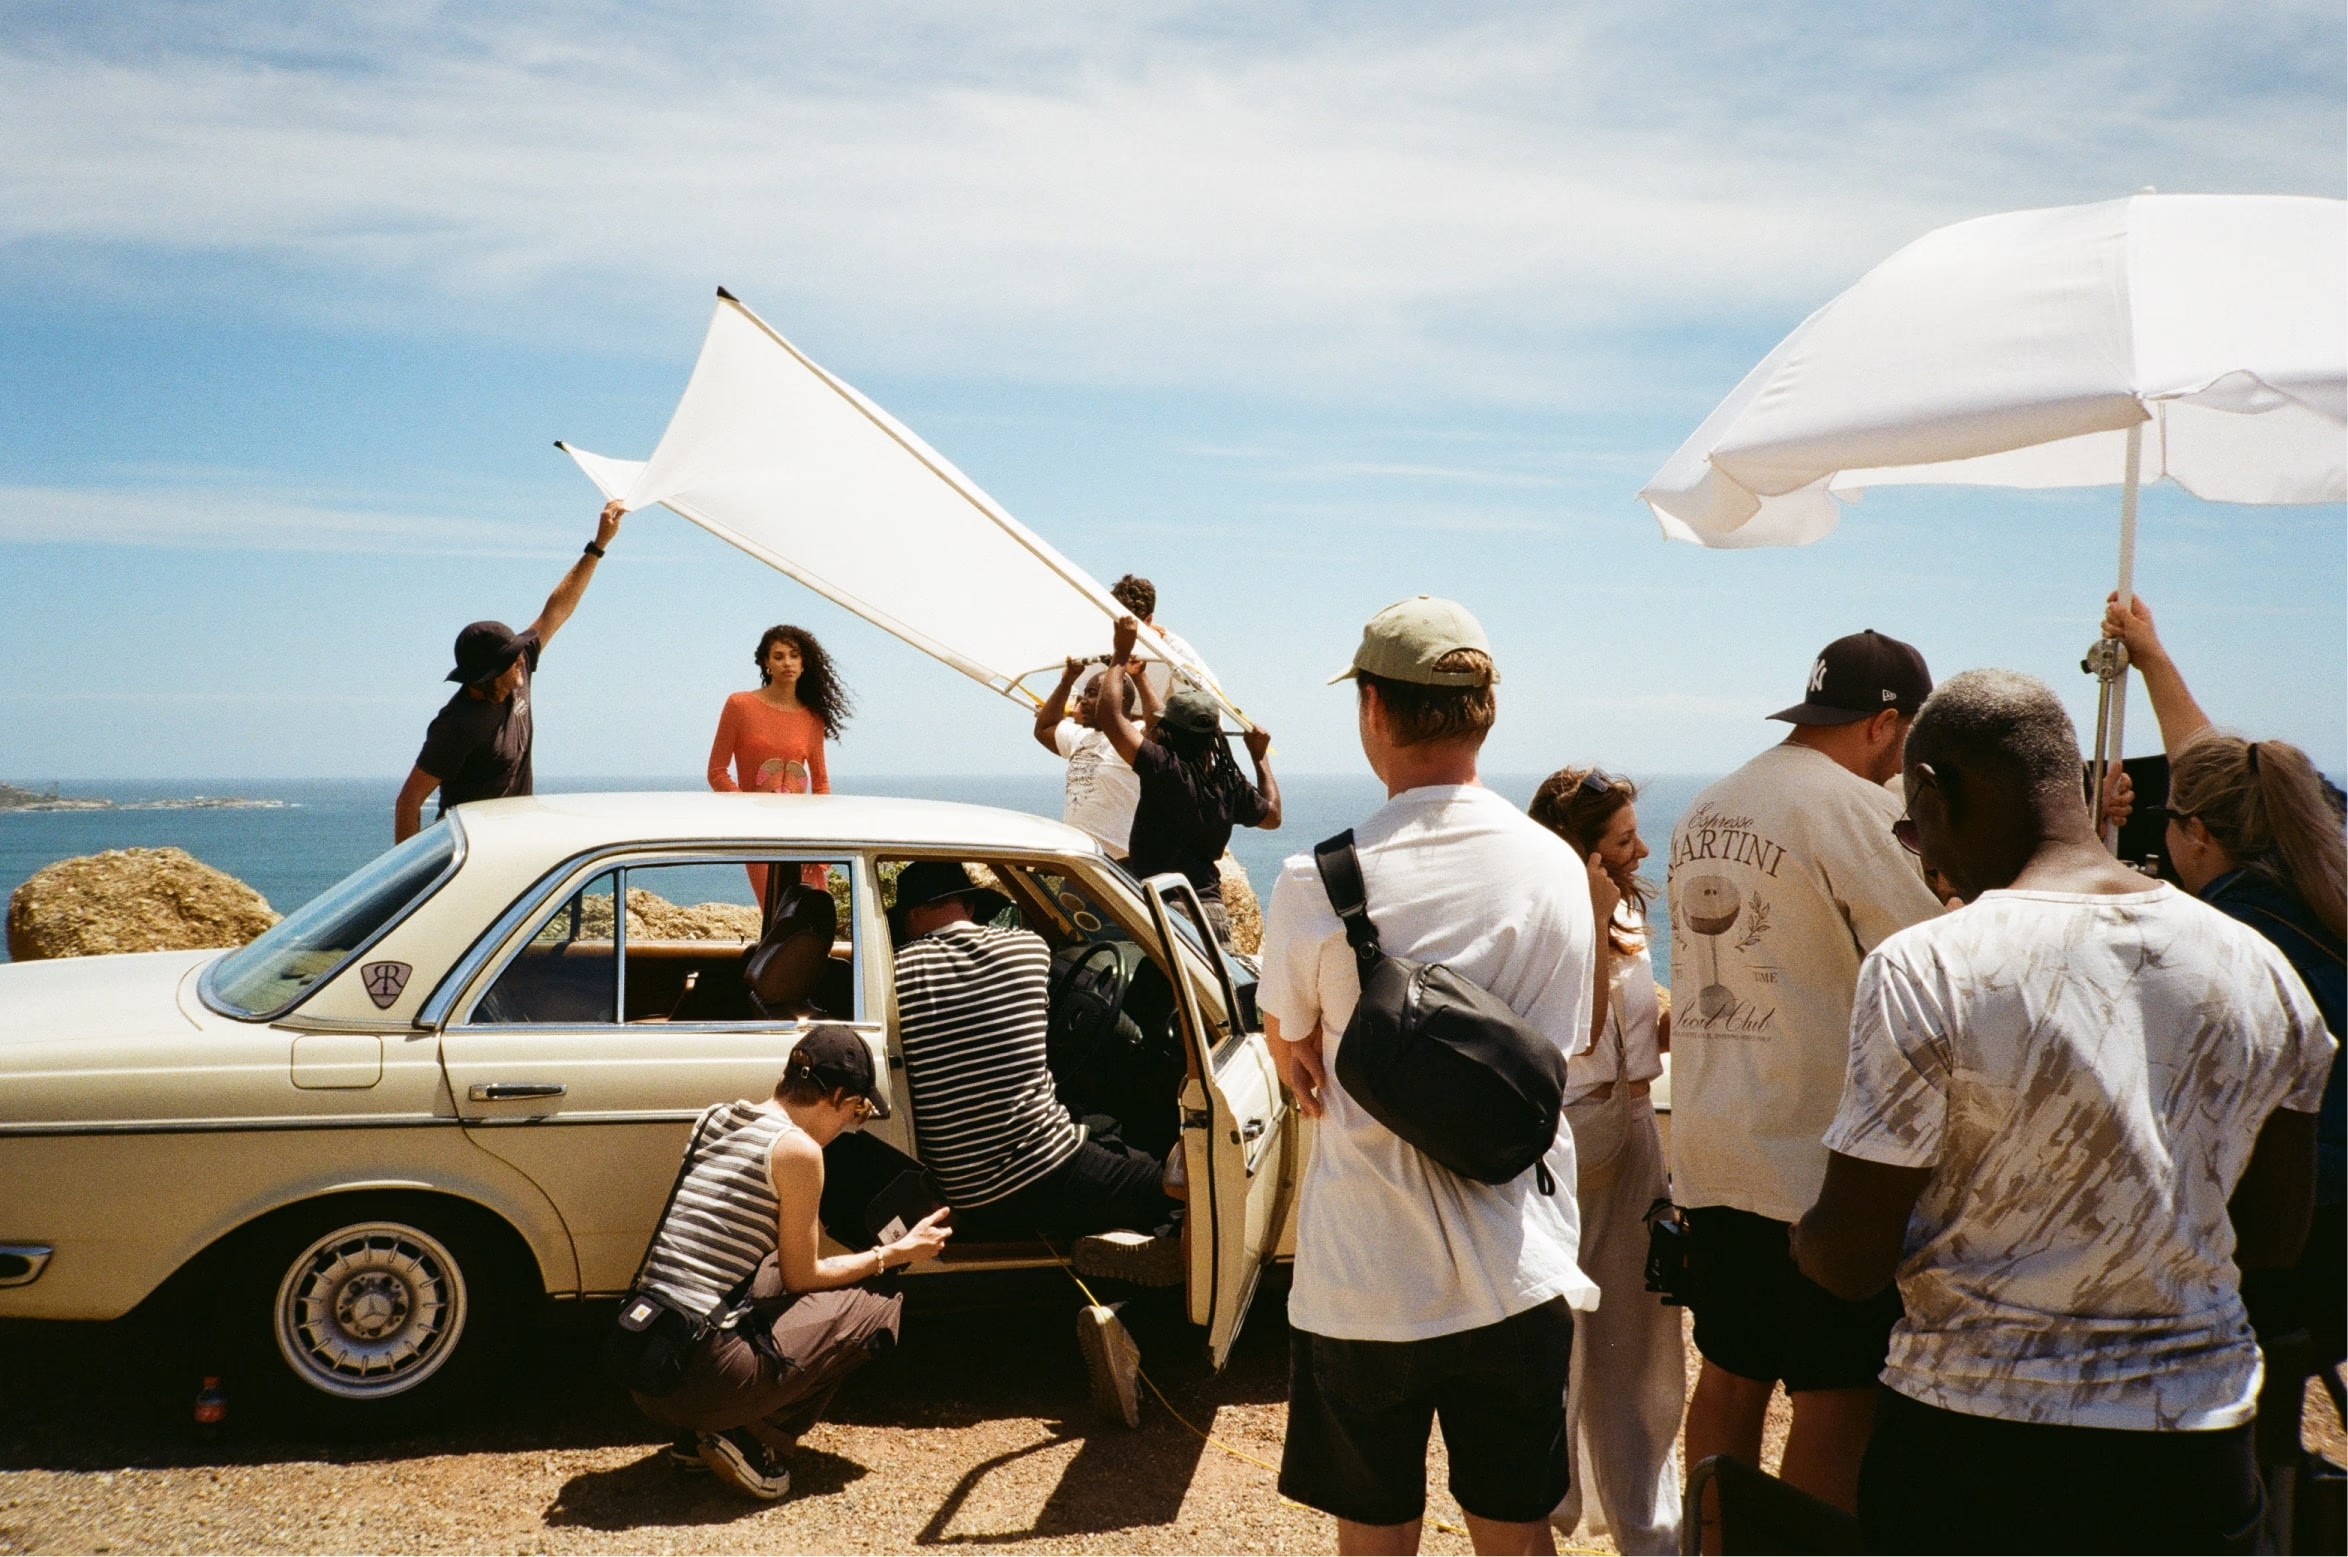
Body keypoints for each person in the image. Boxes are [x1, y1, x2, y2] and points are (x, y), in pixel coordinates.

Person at [1790, 669, 2336, 1554]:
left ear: (1935, 790)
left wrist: (1804, 1239)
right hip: (2193, 1453)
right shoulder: (2256, 965)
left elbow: (1851, 1257)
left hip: (1974, 1451)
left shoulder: (1928, 966)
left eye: (1911, 822)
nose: (1922, 854)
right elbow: (2275, 1236)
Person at [1260, 596, 1599, 1556]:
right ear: (1485, 710)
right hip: (1518, 1263)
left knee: (1374, 1539)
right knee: (1516, 1530)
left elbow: (1294, 1049)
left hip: (1365, 1273)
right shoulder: (1554, 866)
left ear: (1374, 707)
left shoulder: (1313, 881)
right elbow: (1556, 1051)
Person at [1665, 628, 1943, 1523]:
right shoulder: (1848, 808)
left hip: (1712, 1145)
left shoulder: (1712, 802)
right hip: (1811, 1156)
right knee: (1836, 1392)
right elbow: (1929, 950)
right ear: (1885, 722)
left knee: (1732, 1373)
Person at [2104, 592, 2345, 1425]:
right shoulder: (2323, 868)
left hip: (2283, 1251)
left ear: (2198, 834)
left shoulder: (2221, 944)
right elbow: (2220, 766)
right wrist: (2152, 656)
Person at [631, 1026, 951, 1502]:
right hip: (701, 1377)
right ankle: (750, 1437)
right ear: (839, 1095)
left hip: (647, 1360)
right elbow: (806, 1276)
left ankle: (696, 1439)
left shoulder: (715, 1117)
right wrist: (895, 1253)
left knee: (778, 1273)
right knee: (875, 1304)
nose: (850, 1126)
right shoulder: (798, 1150)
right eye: (856, 1111)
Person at [1528, 766, 1685, 1555]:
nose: (1642, 849)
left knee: (1642, 1346)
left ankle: (1647, 1529)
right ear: (1581, 852)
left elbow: (1625, 1021)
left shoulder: (1615, 912)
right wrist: (1591, 920)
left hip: (1627, 1140)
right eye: (1624, 840)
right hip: (1581, 1142)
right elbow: (1576, 1036)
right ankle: (1542, 1519)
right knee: (1574, 1350)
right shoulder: (1559, 919)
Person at [394, 500, 624, 841]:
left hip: (513, 845)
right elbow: (409, 801)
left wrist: (598, 545)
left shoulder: (518, 670)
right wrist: (412, 878)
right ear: (483, 678)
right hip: (470, 853)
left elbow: (556, 611)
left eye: (518, 654)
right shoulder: (457, 724)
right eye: (510, 659)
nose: (521, 660)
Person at [1098, 617, 1281, 948]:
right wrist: (1259, 758)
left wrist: (1120, 656)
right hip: (1211, 913)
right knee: (1209, 1000)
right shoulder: (1226, 781)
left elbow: (1110, 717)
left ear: (1169, 734)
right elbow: (1273, 816)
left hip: (1167, 910)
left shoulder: (1165, 770)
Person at [708, 624, 852, 903]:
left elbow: (821, 784)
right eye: (778, 656)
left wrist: (820, 840)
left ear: (804, 662)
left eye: (794, 655)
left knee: (814, 918)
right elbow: (716, 772)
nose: (787, 662)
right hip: (759, 834)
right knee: (776, 915)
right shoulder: (740, 705)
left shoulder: (812, 717)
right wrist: (749, 811)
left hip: (803, 834)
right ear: (766, 663)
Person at [1031, 657, 1160, 859]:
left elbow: (1158, 727)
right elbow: (1044, 727)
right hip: (1080, 860)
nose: (1083, 701)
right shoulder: (1080, 736)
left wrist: (1140, 676)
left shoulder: (1134, 735)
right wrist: (1067, 682)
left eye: (1092, 694)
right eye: (1084, 694)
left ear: (1118, 698)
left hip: (1121, 862)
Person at [1110, 572, 1215, 705]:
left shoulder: (1177, 653)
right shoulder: (1100, 643)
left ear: (1148, 620)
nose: (1120, 632)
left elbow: (1196, 709)